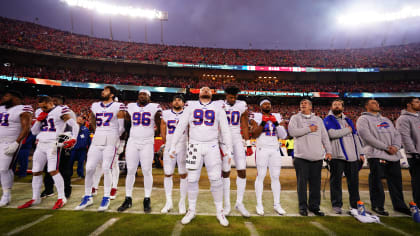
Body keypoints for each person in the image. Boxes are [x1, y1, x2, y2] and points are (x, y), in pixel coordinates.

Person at [169, 87, 232, 226]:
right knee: (191, 179)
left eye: (208, 90)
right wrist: (173, 145)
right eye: (203, 89)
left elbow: (225, 129)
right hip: (193, 146)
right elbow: (181, 127)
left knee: (216, 179)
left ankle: (219, 211)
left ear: (212, 94)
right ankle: (191, 210)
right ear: (198, 93)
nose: (205, 91)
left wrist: (229, 148)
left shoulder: (218, 106)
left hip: (212, 146)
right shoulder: (190, 105)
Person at [19, 95, 78, 209]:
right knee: (36, 171)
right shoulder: (39, 112)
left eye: (45, 106)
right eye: (41, 107)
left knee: (52, 170)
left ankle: (62, 198)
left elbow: (73, 125)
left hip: (53, 143)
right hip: (41, 143)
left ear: (51, 103)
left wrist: (74, 138)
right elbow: (34, 131)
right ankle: (35, 198)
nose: (43, 109)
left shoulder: (61, 110)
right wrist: (38, 120)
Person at [75, 86, 126, 211]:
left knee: (106, 168)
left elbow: (121, 127)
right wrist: (98, 130)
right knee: (89, 167)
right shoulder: (95, 105)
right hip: (97, 139)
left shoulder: (118, 106)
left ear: (112, 94)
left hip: (111, 139)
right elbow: (92, 118)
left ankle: (106, 197)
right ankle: (88, 197)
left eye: (106, 90)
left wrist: (114, 137)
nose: (103, 91)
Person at [357, 99, 411, 216]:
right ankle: (377, 205)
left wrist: (396, 146)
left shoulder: (386, 119)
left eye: (377, 102)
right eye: (373, 103)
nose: (377, 104)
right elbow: (367, 137)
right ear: (366, 106)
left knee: (396, 183)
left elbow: (397, 134)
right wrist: (386, 147)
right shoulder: (363, 119)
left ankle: (399, 206)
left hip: (393, 155)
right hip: (376, 155)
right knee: (377, 182)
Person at [117, 89, 161, 213]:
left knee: (147, 170)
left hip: (147, 142)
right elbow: (126, 123)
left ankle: (147, 198)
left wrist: (152, 134)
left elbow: (158, 122)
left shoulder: (154, 107)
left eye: (145, 94)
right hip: (133, 141)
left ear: (149, 97)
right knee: (130, 170)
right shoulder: (130, 106)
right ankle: (128, 198)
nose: (142, 96)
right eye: (140, 94)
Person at [288, 99, 332, 216]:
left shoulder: (318, 120)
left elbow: (324, 137)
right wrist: (309, 129)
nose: (303, 104)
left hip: (317, 157)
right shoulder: (295, 118)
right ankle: (303, 207)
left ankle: (314, 207)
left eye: (305, 103)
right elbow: (292, 132)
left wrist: (329, 151)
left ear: (311, 107)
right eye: (301, 103)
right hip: (301, 157)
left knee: (315, 184)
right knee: (301, 184)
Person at [323, 99, 364, 214]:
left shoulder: (348, 120)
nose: (337, 106)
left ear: (343, 107)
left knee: (354, 182)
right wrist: (347, 130)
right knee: (336, 182)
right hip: (337, 156)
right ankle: (336, 204)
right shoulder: (328, 119)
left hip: (352, 156)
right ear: (331, 107)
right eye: (334, 104)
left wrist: (360, 153)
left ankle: (355, 205)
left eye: (339, 105)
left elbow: (355, 137)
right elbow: (332, 134)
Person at [217, 86, 252, 217]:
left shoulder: (242, 105)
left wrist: (248, 143)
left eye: (235, 97)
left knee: (242, 170)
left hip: (237, 138)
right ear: (226, 95)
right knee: (225, 171)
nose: (233, 99)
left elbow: (244, 124)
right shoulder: (219, 105)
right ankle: (227, 205)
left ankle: (239, 203)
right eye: (230, 96)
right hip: (224, 140)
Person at [249, 98, 288, 216]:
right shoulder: (255, 116)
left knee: (275, 176)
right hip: (262, 149)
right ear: (260, 106)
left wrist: (275, 123)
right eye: (264, 104)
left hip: (275, 149)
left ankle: (277, 204)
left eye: (269, 104)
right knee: (260, 175)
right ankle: (259, 204)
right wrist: (263, 122)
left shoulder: (277, 115)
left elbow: (284, 135)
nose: (267, 105)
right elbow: (254, 134)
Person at [0, 91, 32, 207]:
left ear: (16, 98)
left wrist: (16, 143)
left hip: (10, 142)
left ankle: (6, 194)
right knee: (4, 169)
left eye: (7, 95)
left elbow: (26, 127)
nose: (4, 97)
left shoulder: (23, 108)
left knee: (4, 169)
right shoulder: (2, 108)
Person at [160, 95, 188, 214]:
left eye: (179, 100)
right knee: (167, 173)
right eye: (175, 100)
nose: (177, 102)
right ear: (172, 102)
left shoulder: (187, 113)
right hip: (170, 146)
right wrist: (166, 143)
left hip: (183, 146)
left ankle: (182, 202)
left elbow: (190, 129)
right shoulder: (166, 113)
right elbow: (162, 128)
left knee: (183, 174)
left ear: (183, 103)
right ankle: (169, 202)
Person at [396, 97, 420, 207]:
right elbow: (405, 137)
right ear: (408, 104)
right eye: (417, 102)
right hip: (415, 155)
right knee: (418, 182)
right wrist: (414, 153)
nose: (419, 103)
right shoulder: (403, 119)